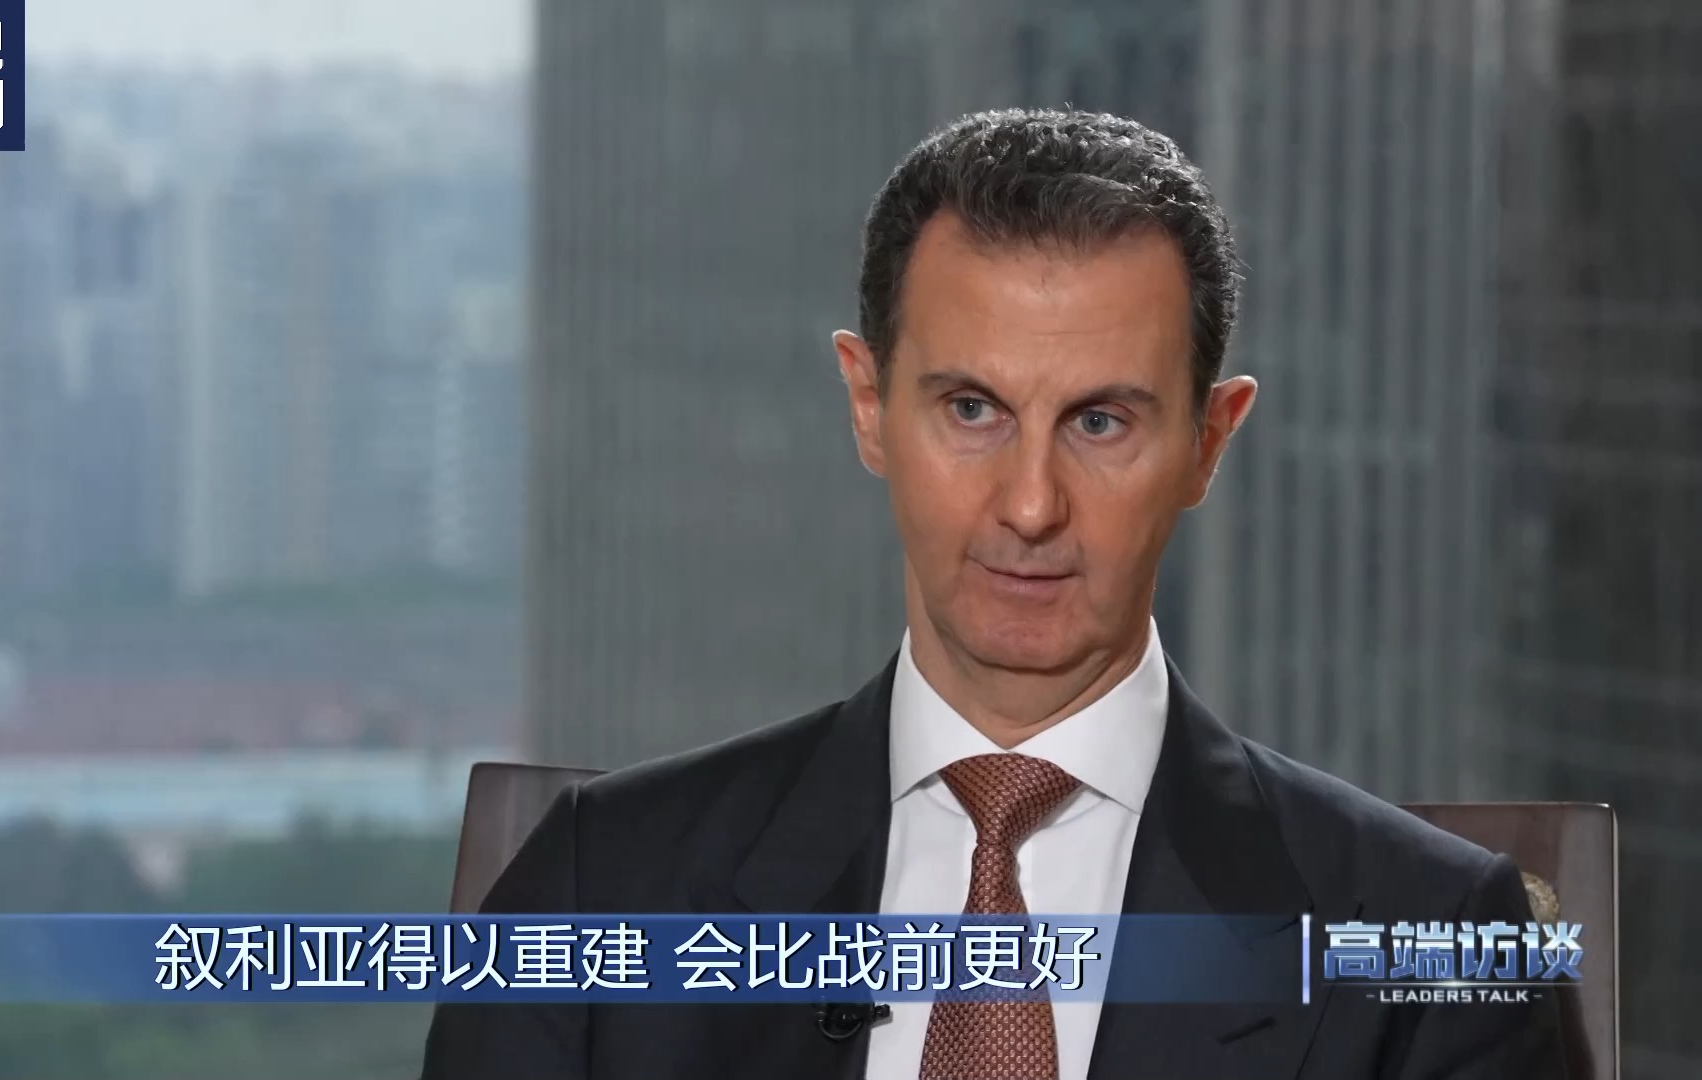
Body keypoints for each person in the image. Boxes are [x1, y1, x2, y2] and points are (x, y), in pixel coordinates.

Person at [421, 108, 1570, 1080]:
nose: (1029, 504)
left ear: (1209, 442)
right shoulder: (599, 893)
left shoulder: (1436, 944)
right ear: (868, 406)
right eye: (971, 410)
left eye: (1100, 422)